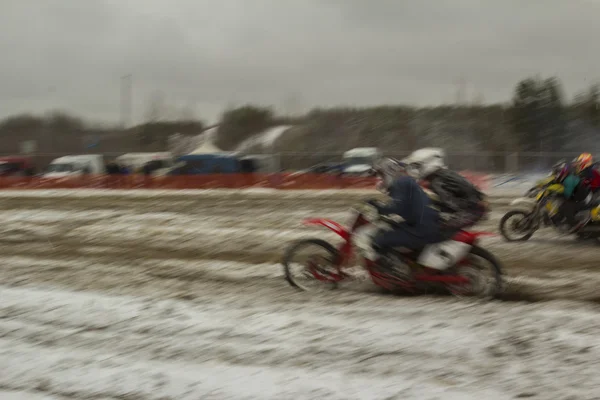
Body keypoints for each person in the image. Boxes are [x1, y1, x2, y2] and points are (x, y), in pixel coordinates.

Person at [365, 158, 445, 266]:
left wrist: (378, 206)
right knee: (391, 228)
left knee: (378, 241)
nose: (380, 179)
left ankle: (397, 272)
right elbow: (405, 207)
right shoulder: (405, 181)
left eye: (381, 175)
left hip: (421, 229)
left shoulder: (400, 183)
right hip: (425, 223)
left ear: (388, 171)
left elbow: (398, 206)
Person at [401, 148, 488, 235]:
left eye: (417, 167)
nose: (416, 170)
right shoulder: (444, 174)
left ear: (427, 164)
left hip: (470, 211)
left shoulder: (437, 180)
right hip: (474, 208)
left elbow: (450, 203)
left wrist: (439, 211)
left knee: (429, 230)